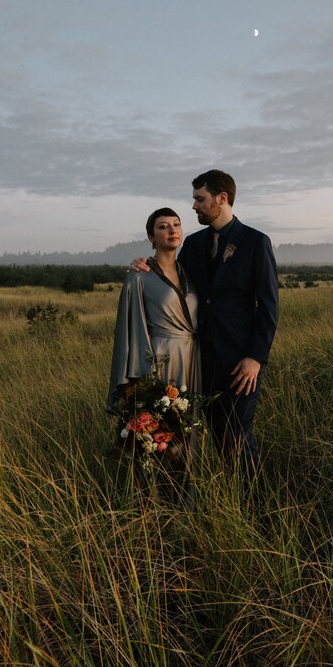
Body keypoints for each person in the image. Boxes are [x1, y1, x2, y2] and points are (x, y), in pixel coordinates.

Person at [134, 169, 278, 475]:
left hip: (241, 365)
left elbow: (268, 307)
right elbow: (173, 281)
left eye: (200, 199)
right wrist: (144, 263)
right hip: (200, 364)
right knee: (213, 440)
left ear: (221, 199)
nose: (194, 206)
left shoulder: (255, 242)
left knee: (237, 439)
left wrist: (255, 358)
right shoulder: (194, 244)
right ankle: (227, 504)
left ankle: (258, 510)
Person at [108, 206, 200, 427]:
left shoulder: (191, 271)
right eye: (163, 226)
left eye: (176, 224)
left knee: (188, 425)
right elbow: (129, 329)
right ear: (151, 237)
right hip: (159, 360)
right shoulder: (139, 275)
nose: (172, 230)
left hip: (192, 357)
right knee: (159, 427)